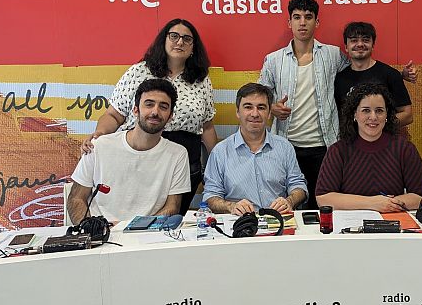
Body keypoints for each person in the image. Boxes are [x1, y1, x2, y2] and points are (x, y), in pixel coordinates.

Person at [259, 0, 416, 209]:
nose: (302, 22)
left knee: (321, 205)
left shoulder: (332, 55)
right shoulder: (273, 60)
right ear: (289, 23)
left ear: (317, 22)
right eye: (297, 17)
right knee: (285, 205)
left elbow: (362, 67)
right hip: (286, 145)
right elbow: (260, 98)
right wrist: (272, 109)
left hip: (325, 144)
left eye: (308, 17)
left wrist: (398, 76)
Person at [81, 18, 217, 216]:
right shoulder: (139, 72)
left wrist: (217, 164)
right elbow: (114, 114)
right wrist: (99, 135)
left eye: (187, 39)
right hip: (138, 155)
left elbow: (207, 126)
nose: (180, 42)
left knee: (170, 219)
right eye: (174, 36)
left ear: (193, 48)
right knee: (134, 215)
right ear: (163, 40)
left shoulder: (201, 80)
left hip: (185, 161)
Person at [68, 79, 191, 224]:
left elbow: (172, 207)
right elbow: (76, 198)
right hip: (100, 236)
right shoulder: (99, 146)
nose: (155, 112)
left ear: (170, 116)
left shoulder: (178, 154)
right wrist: (91, 229)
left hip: (146, 236)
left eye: (163, 107)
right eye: (149, 104)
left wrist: (133, 229)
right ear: (135, 110)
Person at [315, 83, 422, 212]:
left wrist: (388, 204)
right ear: (355, 114)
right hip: (349, 225)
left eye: (379, 111)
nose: (373, 117)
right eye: (366, 110)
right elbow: (323, 198)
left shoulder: (404, 149)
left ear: (387, 115)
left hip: (392, 224)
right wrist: (372, 203)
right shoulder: (338, 151)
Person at [202, 83, 308, 215]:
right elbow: (210, 197)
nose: (255, 113)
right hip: (238, 225)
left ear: (269, 113)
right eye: (248, 107)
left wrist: (289, 201)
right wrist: (231, 206)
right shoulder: (220, 152)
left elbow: (299, 187)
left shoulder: (284, 147)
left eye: (261, 107)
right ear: (237, 112)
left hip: (278, 223)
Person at [334, 21, 413, 127]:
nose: (360, 44)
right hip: (350, 141)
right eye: (354, 40)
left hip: (384, 141)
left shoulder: (390, 75)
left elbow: (407, 115)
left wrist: (377, 126)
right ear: (346, 47)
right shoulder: (339, 79)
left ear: (373, 45)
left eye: (365, 40)